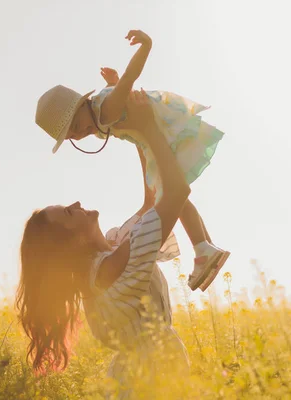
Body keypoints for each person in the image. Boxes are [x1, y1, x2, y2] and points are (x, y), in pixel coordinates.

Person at [18, 90, 191, 398]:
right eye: (69, 213)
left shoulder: (112, 247)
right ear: (72, 241)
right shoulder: (111, 268)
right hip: (148, 380)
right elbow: (175, 194)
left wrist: (137, 134)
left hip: (147, 372)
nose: (77, 202)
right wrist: (150, 127)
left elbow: (151, 201)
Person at [35, 29, 229, 291]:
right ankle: (204, 246)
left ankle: (202, 247)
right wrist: (113, 82)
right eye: (73, 135)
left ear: (84, 105)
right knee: (171, 195)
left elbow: (130, 79)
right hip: (153, 137)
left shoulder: (105, 110)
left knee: (171, 195)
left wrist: (145, 47)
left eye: (77, 124)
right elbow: (118, 90)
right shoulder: (101, 109)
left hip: (161, 131)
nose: (80, 133)